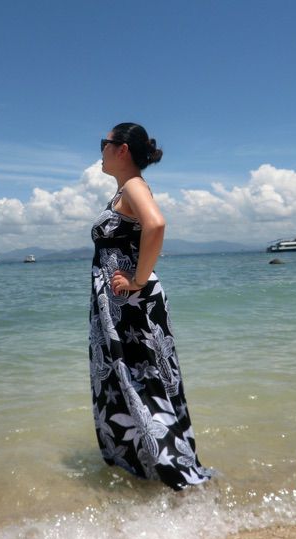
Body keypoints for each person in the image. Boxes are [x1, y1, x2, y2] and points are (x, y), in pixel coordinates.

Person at [89, 122, 212, 490]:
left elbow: (156, 224)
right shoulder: (125, 190)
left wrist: (137, 281)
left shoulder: (133, 186)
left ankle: (178, 474)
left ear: (122, 149)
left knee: (145, 381)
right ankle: (149, 469)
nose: (101, 150)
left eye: (104, 143)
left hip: (132, 304)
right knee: (133, 381)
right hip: (123, 306)